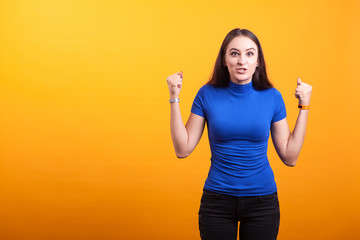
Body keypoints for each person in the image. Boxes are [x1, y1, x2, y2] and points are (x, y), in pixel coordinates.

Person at [166, 28, 312, 240]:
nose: (242, 60)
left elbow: (290, 157)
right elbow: (182, 149)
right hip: (217, 201)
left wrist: (304, 106)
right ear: (224, 60)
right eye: (234, 53)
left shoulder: (272, 97)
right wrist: (174, 98)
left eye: (249, 53)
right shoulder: (206, 94)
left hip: (262, 202)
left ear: (258, 61)